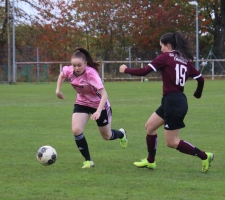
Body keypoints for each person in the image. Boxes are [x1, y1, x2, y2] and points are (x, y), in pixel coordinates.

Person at [119, 31, 214, 172]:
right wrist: (198, 93)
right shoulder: (184, 60)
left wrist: (126, 69)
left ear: (168, 46)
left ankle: (204, 155)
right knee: (150, 127)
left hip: (174, 103)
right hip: (173, 100)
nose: (161, 49)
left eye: (161, 46)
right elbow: (200, 78)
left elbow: (144, 71)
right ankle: (150, 161)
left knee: (172, 142)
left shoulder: (165, 57)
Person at [56, 47, 128, 168]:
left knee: (107, 136)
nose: (76, 68)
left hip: (99, 105)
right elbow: (61, 75)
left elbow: (104, 95)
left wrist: (99, 111)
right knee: (76, 130)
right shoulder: (70, 70)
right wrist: (58, 90)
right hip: (82, 102)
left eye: (79, 65)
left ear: (85, 63)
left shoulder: (91, 74)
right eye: (74, 65)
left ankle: (121, 134)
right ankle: (88, 160)